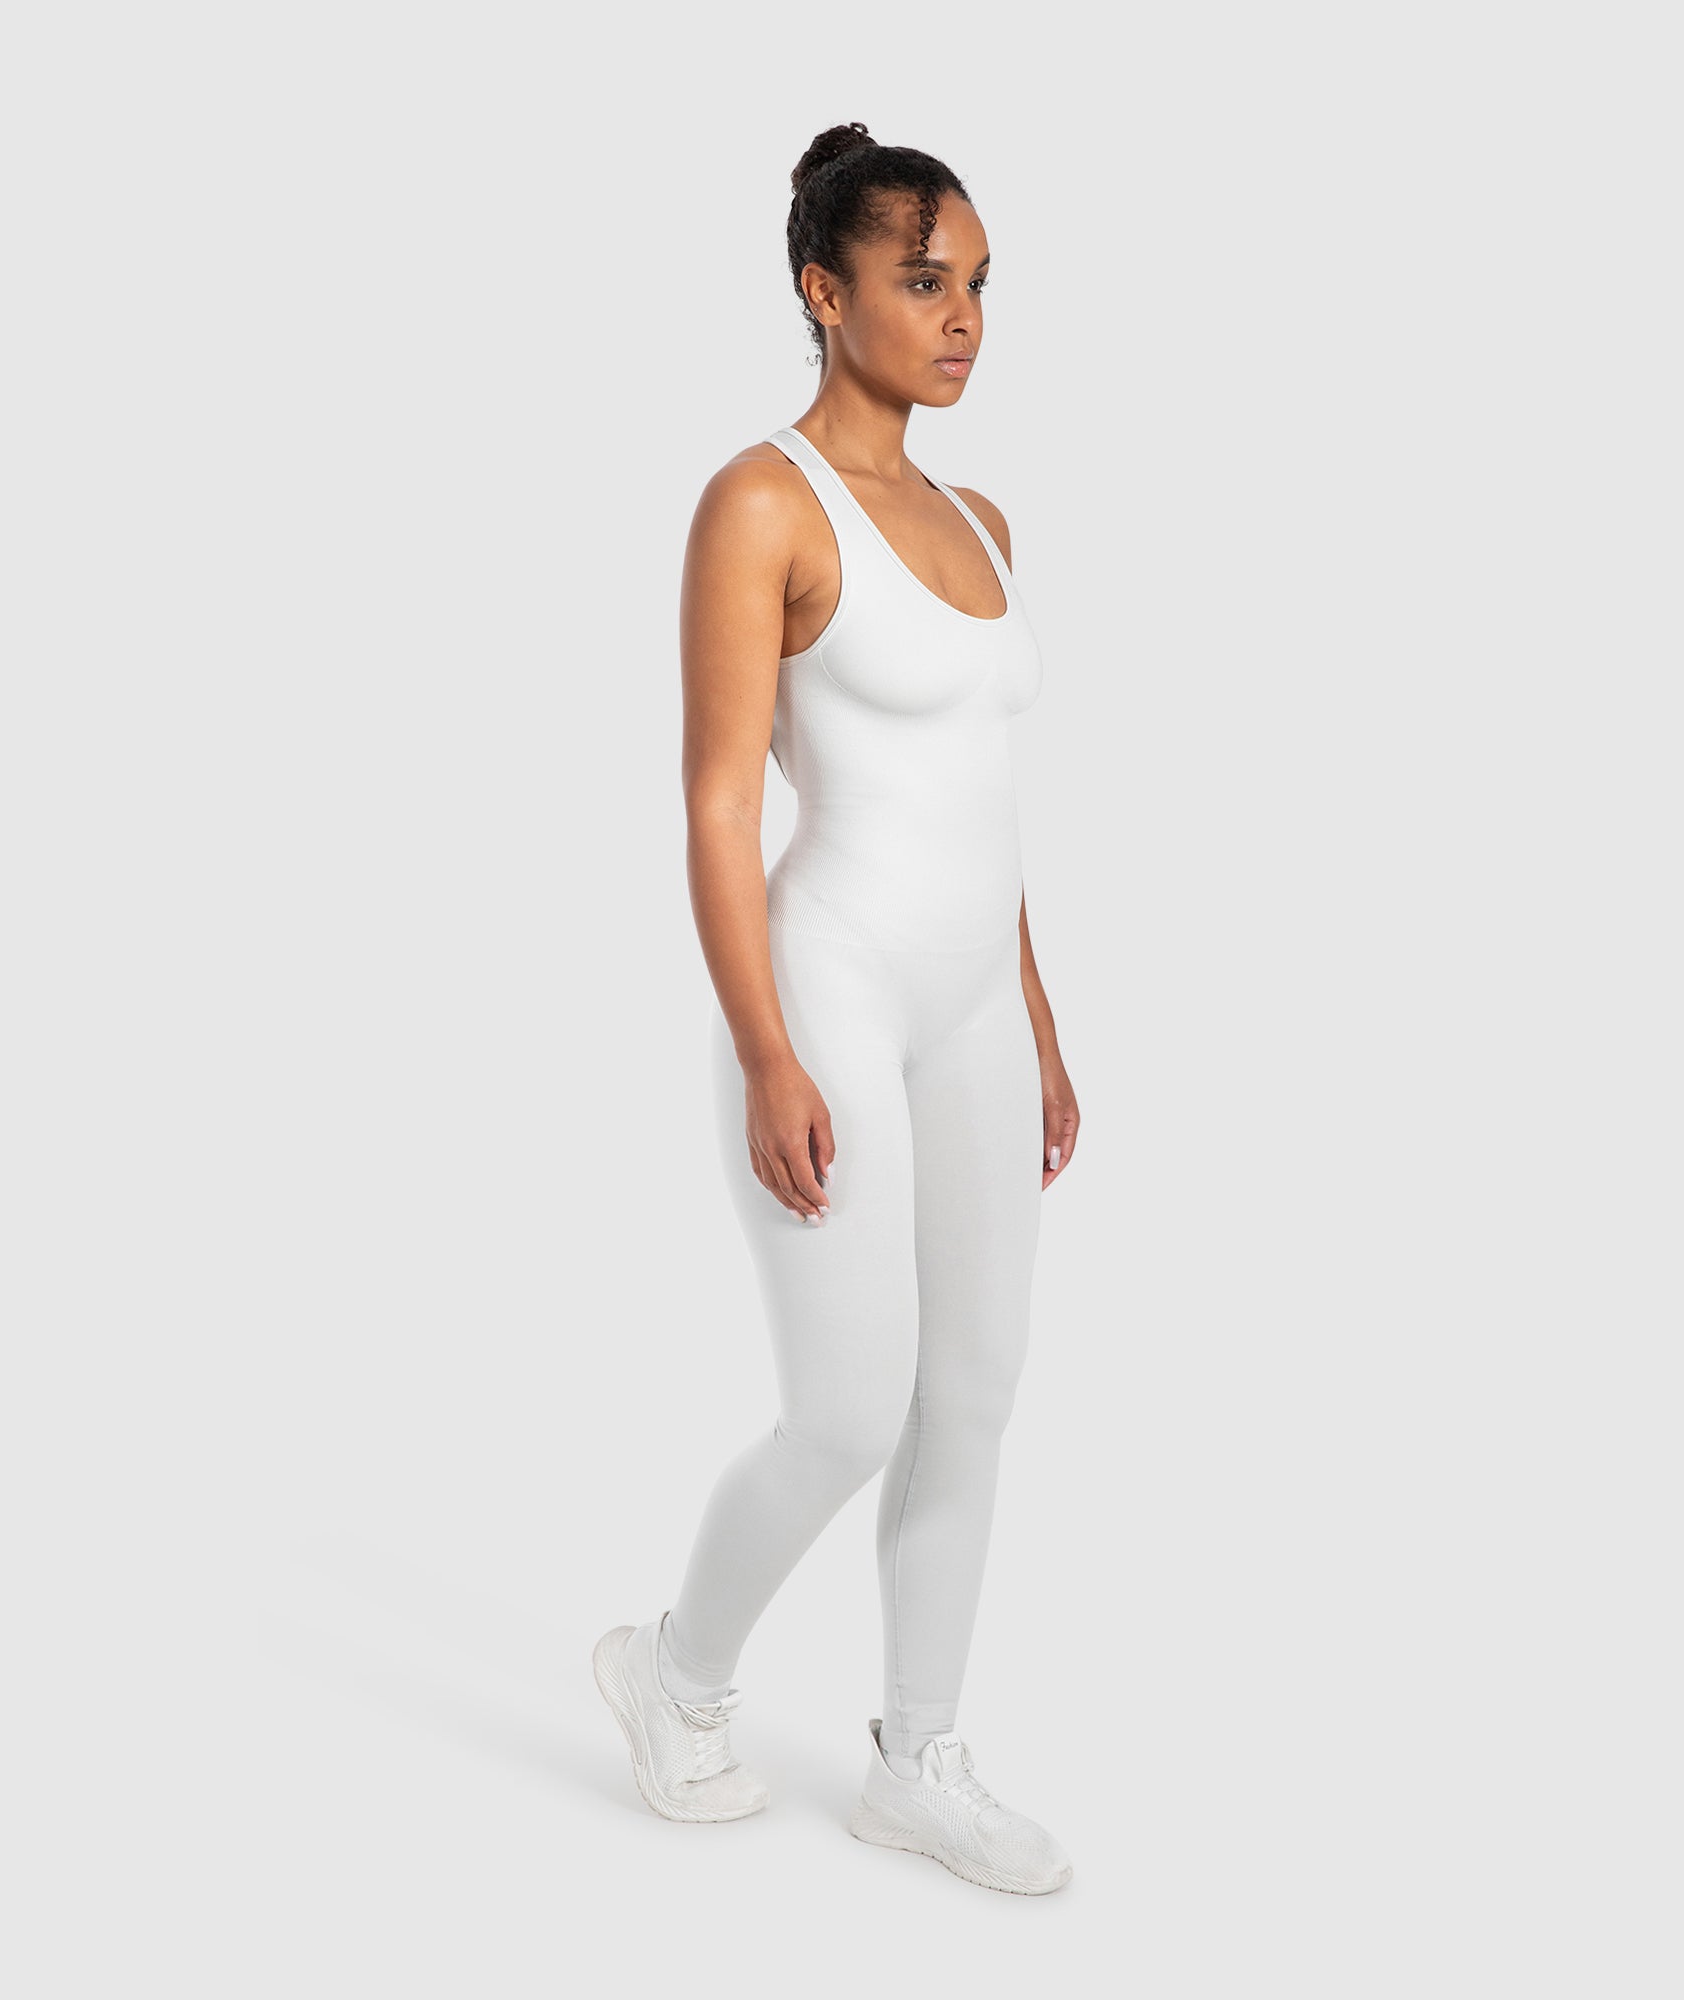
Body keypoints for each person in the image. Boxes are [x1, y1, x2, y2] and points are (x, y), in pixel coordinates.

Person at [592, 122, 1080, 1896]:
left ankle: (916, 1761)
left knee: (978, 1390)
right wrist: (766, 1051)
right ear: (824, 288)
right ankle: (675, 1671)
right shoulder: (762, 503)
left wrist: (1040, 1022)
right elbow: (720, 800)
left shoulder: (984, 522)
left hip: (975, 1004)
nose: (962, 320)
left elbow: (985, 811)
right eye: (922, 281)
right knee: (851, 1410)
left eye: (979, 287)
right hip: (833, 989)